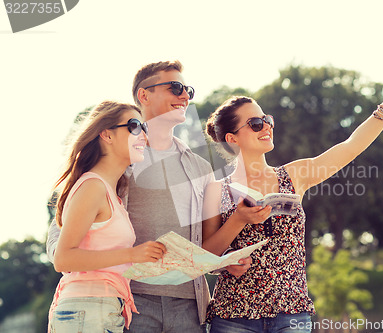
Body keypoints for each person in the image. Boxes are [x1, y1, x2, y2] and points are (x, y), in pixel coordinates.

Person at [202, 70, 383, 332]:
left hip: (291, 314)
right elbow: (207, 257)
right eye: (256, 123)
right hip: (234, 316)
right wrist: (238, 222)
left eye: (267, 120)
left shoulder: (294, 175)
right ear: (232, 138)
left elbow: (351, 146)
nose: (266, 127)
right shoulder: (216, 190)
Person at [47, 60, 246, 332]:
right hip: (128, 300)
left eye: (188, 89)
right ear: (144, 95)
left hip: (189, 304)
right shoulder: (118, 158)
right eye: (175, 87)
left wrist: (223, 262)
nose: (184, 95)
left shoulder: (201, 168)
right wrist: (75, 266)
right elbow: (63, 231)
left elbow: (205, 244)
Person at [48, 101, 167, 332]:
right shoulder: (93, 186)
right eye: (134, 126)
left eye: (145, 128)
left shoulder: (111, 193)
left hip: (101, 308)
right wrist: (132, 254)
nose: (143, 134)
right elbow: (63, 259)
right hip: (88, 308)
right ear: (107, 135)